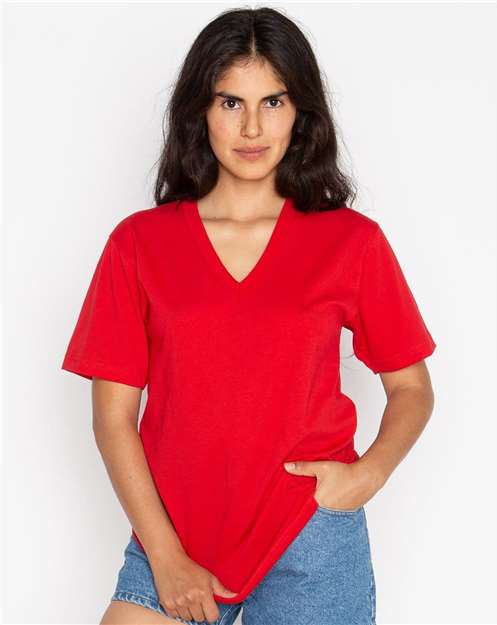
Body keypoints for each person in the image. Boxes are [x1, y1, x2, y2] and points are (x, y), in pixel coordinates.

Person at [61, 7, 436, 625]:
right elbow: (112, 416)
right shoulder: (139, 244)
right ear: (200, 111)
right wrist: (165, 556)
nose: (253, 127)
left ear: (300, 112)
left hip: (309, 536)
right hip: (173, 533)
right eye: (231, 102)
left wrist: (367, 476)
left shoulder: (351, 242)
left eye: (274, 102)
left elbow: (412, 388)